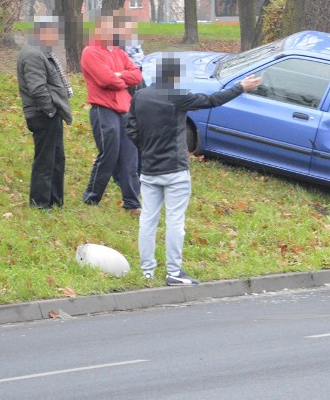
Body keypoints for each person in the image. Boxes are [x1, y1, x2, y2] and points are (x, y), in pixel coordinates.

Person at [126, 54, 260, 286]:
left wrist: (144, 146)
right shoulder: (176, 97)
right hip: (175, 168)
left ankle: (146, 271)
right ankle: (174, 272)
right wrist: (240, 87)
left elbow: (130, 128)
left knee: (148, 220)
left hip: (149, 169)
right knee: (175, 221)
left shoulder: (140, 96)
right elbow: (212, 101)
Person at [81, 15, 143, 214]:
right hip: (103, 109)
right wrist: (121, 77)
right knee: (109, 154)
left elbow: (137, 75)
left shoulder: (119, 52)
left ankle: (132, 203)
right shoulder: (90, 52)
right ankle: (92, 197)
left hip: (124, 110)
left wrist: (119, 76)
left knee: (129, 156)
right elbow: (105, 79)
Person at [16, 17, 73, 209]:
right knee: (45, 161)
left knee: (57, 159)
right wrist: (50, 110)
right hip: (42, 115)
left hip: (50, 114)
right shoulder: (33, 54)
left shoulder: (42, 52)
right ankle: (40, 205)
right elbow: (37, 89)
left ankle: (55, 201)